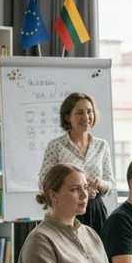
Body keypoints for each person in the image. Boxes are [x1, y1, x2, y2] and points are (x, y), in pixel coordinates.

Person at [38, 92, 116, 235]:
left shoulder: (102, 145)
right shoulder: (56, 146)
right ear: (68, 117)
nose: (86, 117)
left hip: (95, 210)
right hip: (65, 210)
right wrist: (81, 189)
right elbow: (44, 182)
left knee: (96, 254)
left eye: (89, 111)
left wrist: (99, 184)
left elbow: (111, 184)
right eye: (79, 113)